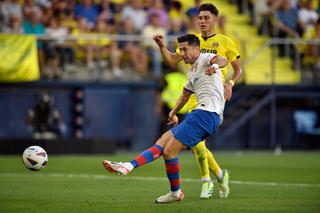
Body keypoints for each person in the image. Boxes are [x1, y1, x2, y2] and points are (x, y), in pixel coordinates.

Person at [102, 34, 228, 203]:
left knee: (169, 152)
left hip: (207, 115)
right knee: (161, 142)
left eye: (185, 49)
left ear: (197, 49)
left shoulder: (206, 58)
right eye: (180, 49)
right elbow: (184, 95)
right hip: (199, 114)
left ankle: (176, 192)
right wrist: (173, 112)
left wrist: (214, 66)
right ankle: (128, 166)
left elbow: (223, 60)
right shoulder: (191, 71)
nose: (182, 53)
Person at [153, 3, 243, 199]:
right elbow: (170, 61)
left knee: (196, 143)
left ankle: (207, 180)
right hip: (192, 94)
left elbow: (238, 69)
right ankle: (218, 175)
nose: (202, 21)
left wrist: (231, 83)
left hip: (212, 96)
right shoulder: (191, 42)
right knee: (196, 144)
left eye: (206, 18)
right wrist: (162, 46)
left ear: (215, 20)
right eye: (199, 18)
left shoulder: (225, 42)